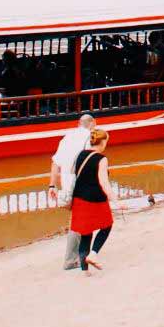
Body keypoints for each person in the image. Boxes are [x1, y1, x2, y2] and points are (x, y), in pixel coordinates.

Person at [50, 114, 97, 270]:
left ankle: (81, 254)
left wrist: (52, 185)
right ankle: (71, 259)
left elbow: (55, 163)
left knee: (80, 219)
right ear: (93, 124)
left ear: (78, 123)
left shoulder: (66, 138)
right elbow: (89, 161)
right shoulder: (89, 138)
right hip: (80, 183)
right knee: (78, 221)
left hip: (67, 183)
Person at [67, 128, 116, 272]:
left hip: (79, 198)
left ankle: (85, 270)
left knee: (85, 233)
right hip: (96, 199)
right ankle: (93, 254)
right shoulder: (102, 159)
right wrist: (115, 199)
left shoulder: (81, 155)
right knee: (107, 225)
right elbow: (103, 182)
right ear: (102, 142)